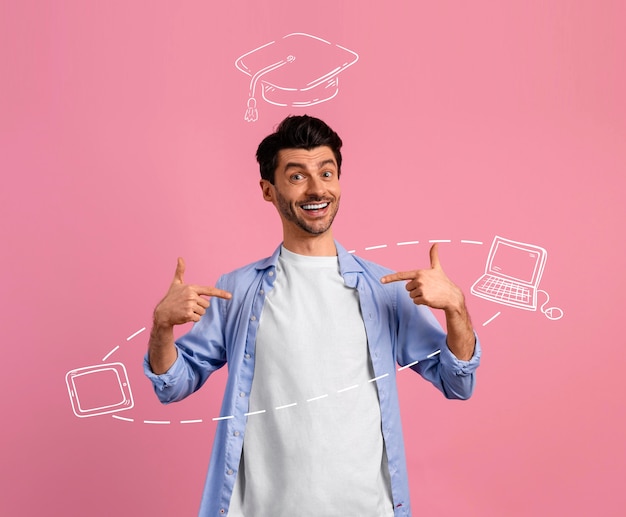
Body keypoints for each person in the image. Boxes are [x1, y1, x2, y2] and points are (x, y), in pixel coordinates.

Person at [144, 115, 481, 517]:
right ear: (268, 190)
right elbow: (173, 385)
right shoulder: (236, 291)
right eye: (298, 176)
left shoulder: (384, 290)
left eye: (327, 172)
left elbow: (457, 382)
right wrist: (162, 327)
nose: (318, 188)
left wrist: (457, 310)